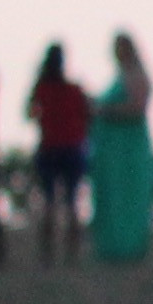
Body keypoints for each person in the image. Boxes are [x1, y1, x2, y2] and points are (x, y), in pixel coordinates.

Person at [90, 36, 153, 263]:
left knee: (128, 196)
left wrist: (104, 109)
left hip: (128, 149)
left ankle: (127, 246)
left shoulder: (138, 76)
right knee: (110, 194)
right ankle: (110, 245)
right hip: (111, 149)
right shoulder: (119, 77)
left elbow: (137, 108)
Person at [24, 40, 91, 264]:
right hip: (72, 147)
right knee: (72, 202)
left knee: (49, 202)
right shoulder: (75, 89)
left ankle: (47, 254)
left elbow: (29, 114)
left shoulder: (42, 89)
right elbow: (88, 115)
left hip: (50, 147)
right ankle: (72, 254)